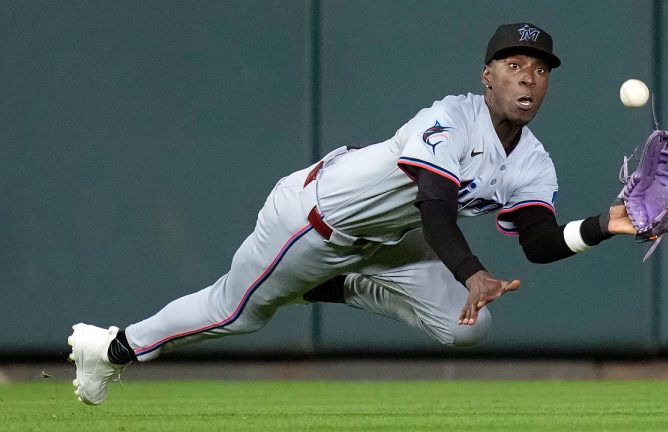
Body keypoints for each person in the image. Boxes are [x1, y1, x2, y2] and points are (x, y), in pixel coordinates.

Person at [68, 22, 637, 405]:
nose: (528, 79)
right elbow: (435, 209)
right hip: (314, 220)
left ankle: (335, 285)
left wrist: (605, 225)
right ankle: (113, 347)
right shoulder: (447, 120)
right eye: (514, 64)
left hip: (394, 238)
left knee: (469, 329)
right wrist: (471, 272)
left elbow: (537, 241)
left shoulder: (534, 162)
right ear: (487, 76)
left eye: (540, 71)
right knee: (235, 313)